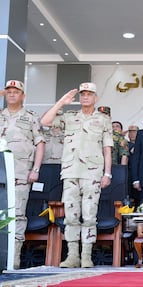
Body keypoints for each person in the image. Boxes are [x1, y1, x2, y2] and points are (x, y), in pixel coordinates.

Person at [41, 82, 113, 268]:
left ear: (96, 98)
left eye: (89, 94)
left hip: (93, 173)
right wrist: (61, 103)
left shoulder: (103, 119)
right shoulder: (69, 117)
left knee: (89, 215)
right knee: (71, 216)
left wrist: (107, 173)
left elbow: (107, 149)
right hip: (71, 172)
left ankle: (86, 255)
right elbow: (45, 122)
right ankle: (72, 255)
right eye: (83, 94)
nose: (85, 97)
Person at [0, 80, 45, 269]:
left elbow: (40, 143)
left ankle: (13, 259)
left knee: (17, 214)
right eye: (8, 91)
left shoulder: (31, 117)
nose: (11, 94)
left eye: (15, 91)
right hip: (0, 172)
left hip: (20, 173)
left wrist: (35, 169)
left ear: (23, 95)